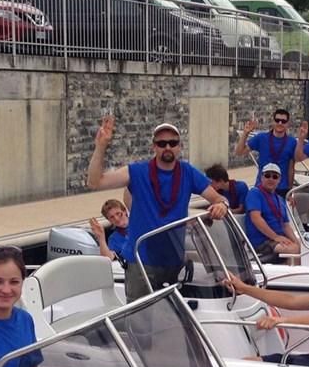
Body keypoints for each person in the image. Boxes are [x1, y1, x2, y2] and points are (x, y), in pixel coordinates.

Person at [86, 116, 229, 300]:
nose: (167, 147)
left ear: (180, 146)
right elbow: (95, 181)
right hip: (141, 261)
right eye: (162, 143)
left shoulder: (188, 172)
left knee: (172, 314)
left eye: (172, 143)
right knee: (140, 315)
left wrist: (222, 205)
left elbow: (218, 197)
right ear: (154, 147)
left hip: (174, 261)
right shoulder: (137, 171)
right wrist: (101, 146)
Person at [235, 109, 306, 194]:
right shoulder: (261, 137)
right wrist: (245, 133)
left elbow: (291, 169)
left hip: (281, 189)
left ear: (287, 124)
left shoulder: (292, 142)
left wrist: (290, 192)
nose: (280, 123)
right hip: (261, 187)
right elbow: (239, 152)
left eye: (283, 121)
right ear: (273, 121)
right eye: (277, 120)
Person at [243, 163, 301, 263]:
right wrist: (275, 237)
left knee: (300, 244)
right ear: (262, 177)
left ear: (279, 180)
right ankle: (293, 271)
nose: (271, 179)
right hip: (261, 241)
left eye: (274, 177)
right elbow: (256, 218)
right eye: (267, 175)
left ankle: (295, 270)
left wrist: (297, 242)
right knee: (293, 249)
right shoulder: (255, 193)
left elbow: (286, 225)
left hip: (276, 238)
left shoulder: (280, 199)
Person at [88, 198, 130, 263]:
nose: (116, 218)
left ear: (125, 212)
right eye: (111, 217)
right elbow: (109, 258)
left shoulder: (140, 224)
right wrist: (100, 236)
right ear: (109, 220)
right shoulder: (113, 238)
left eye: (118, 213)